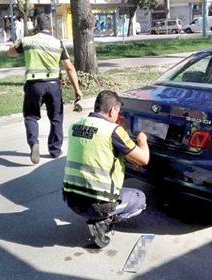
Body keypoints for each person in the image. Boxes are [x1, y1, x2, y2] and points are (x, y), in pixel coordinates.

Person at [62, 90, 150, 248]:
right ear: (112, 110)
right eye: (118, 112)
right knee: (140, 199)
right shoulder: (113, 132)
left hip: (71, 200)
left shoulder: (75, 125)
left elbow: (98, 150)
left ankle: (98, 216)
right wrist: (142, 138)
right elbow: (144, 158)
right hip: (99, 205)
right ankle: (103, 221)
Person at [7, 13, 82, 164]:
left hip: (34, 85)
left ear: (36, 24)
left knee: (31, 116)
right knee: (56, 118)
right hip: (54, 86)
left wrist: (22, 38)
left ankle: (34, 142)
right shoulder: (57, 43)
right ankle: (54, 150)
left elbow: (11, 53)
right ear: (51, 27)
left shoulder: (27, 41)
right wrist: (77, 89)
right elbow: (69, 68)